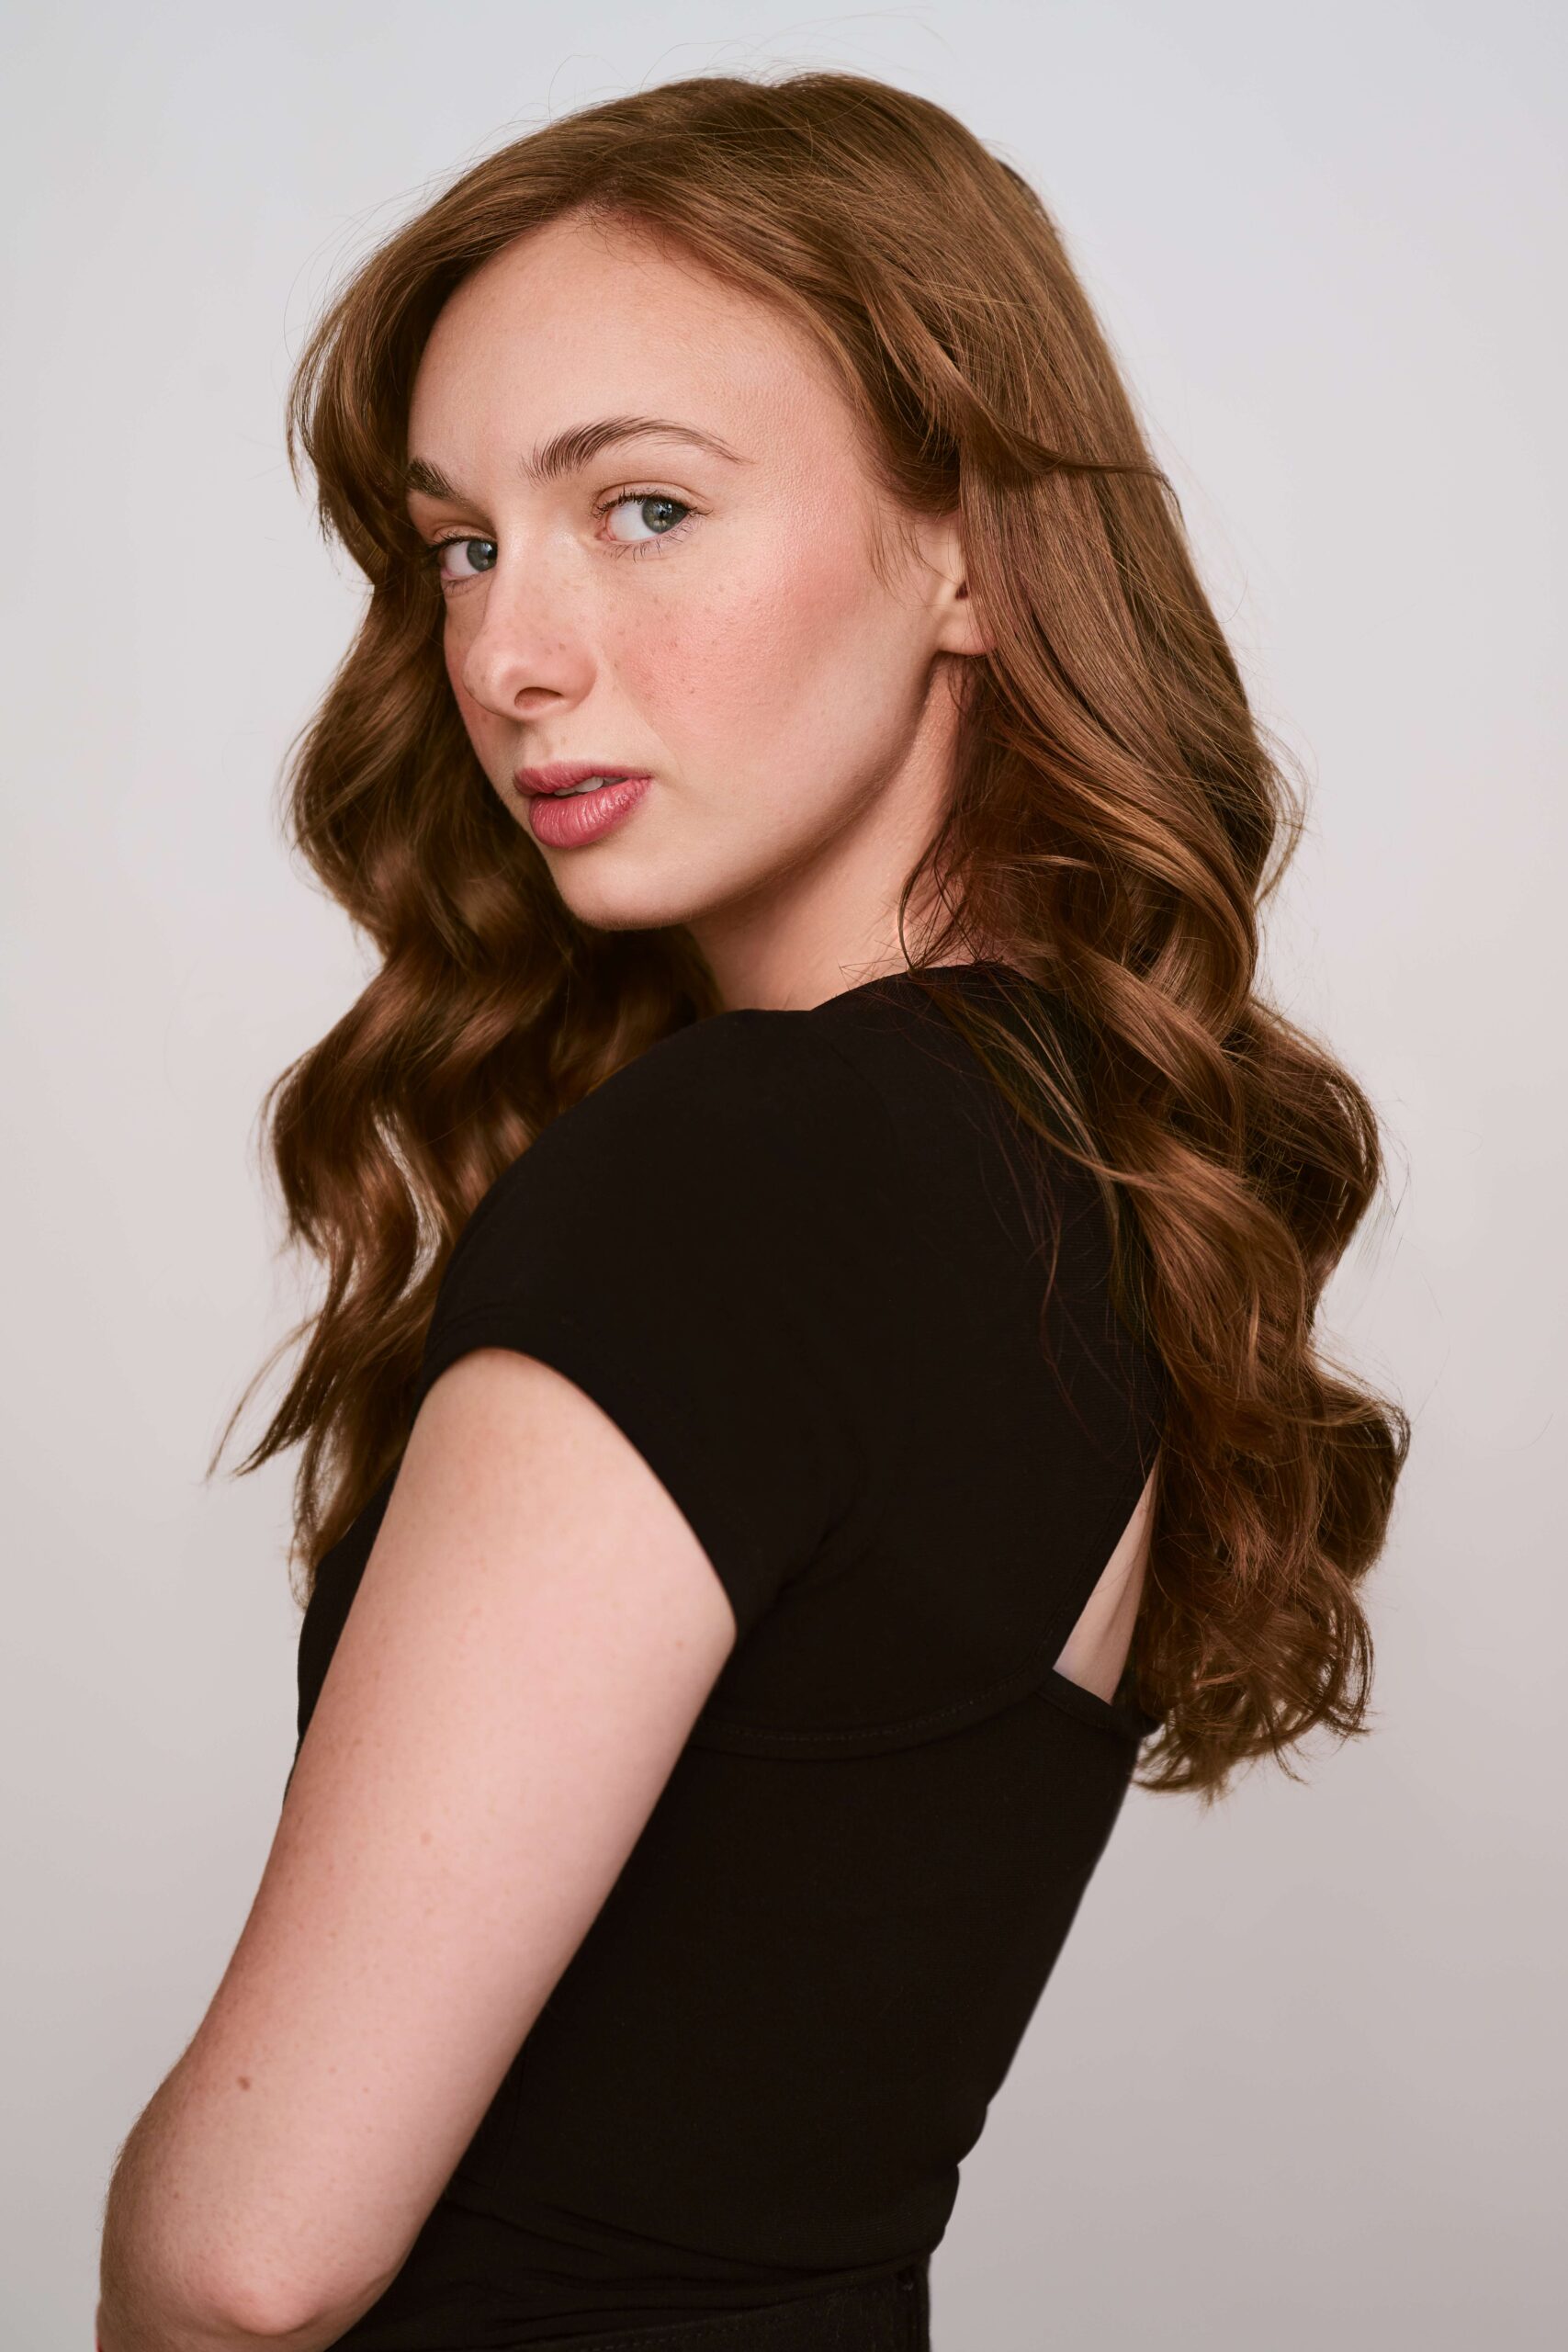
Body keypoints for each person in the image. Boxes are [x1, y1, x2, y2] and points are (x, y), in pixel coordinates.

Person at [96, 69, 1409, 2352]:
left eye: (642, 507)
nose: (507, 654)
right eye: (463, 544)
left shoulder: (750, 1167)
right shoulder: (1071, 1164)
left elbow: (247, 2252)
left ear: (965, 548)